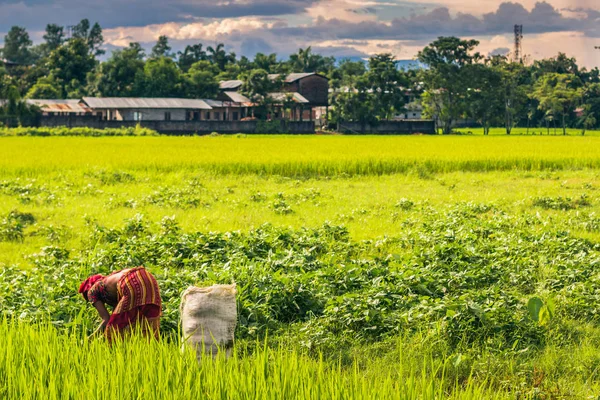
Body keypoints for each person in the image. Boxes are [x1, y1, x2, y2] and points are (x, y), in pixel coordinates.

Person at [79, 266, 162, 343]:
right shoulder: (110, 282)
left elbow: (106, 319)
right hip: (148, 278)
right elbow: (117, 315)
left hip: (131, 282)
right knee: (148, 327)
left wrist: (89, 340)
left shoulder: (91, 291)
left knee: (113, 333)